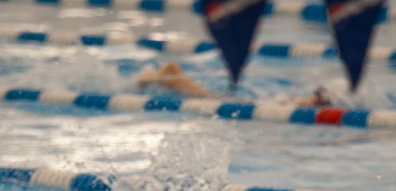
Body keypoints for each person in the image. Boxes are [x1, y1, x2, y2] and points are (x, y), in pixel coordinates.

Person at [136, 61, 333, 107]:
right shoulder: (298, 102)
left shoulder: (294, 101)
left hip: (246, 100)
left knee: (203, 94)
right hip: (245, 101)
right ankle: (172, 78)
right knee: (202, 95)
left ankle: (172, 78)